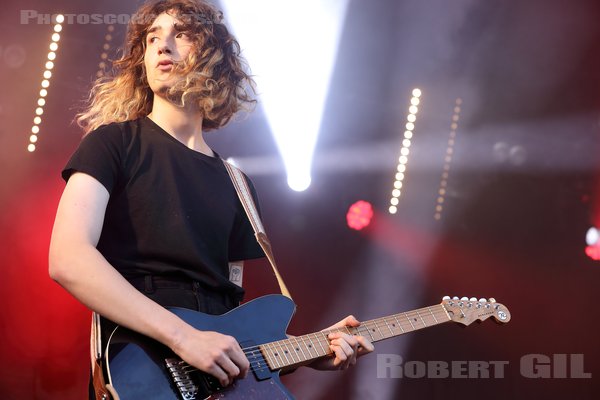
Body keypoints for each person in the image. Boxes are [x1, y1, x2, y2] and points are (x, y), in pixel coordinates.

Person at [49, 0, 374, 398]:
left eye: (180, 34)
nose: (162, 47)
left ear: (214, 57)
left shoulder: (238, 183)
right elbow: (67, 258)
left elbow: (232, 327)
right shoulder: (112, 143)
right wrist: (184, 338)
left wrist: (306, 351)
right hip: (141, 370)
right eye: (153, 39)